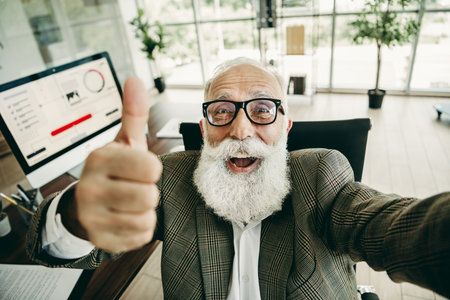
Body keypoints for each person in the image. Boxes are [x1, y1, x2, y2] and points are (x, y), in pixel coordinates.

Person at [27, 58, 449, 299]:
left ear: (285, 126)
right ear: (205, 126)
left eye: (262, 110)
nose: (241, 130)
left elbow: (397, 227)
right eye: (223, 111)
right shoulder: (172, 180)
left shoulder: (321, 177)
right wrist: (78, 213)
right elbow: (49, 250)